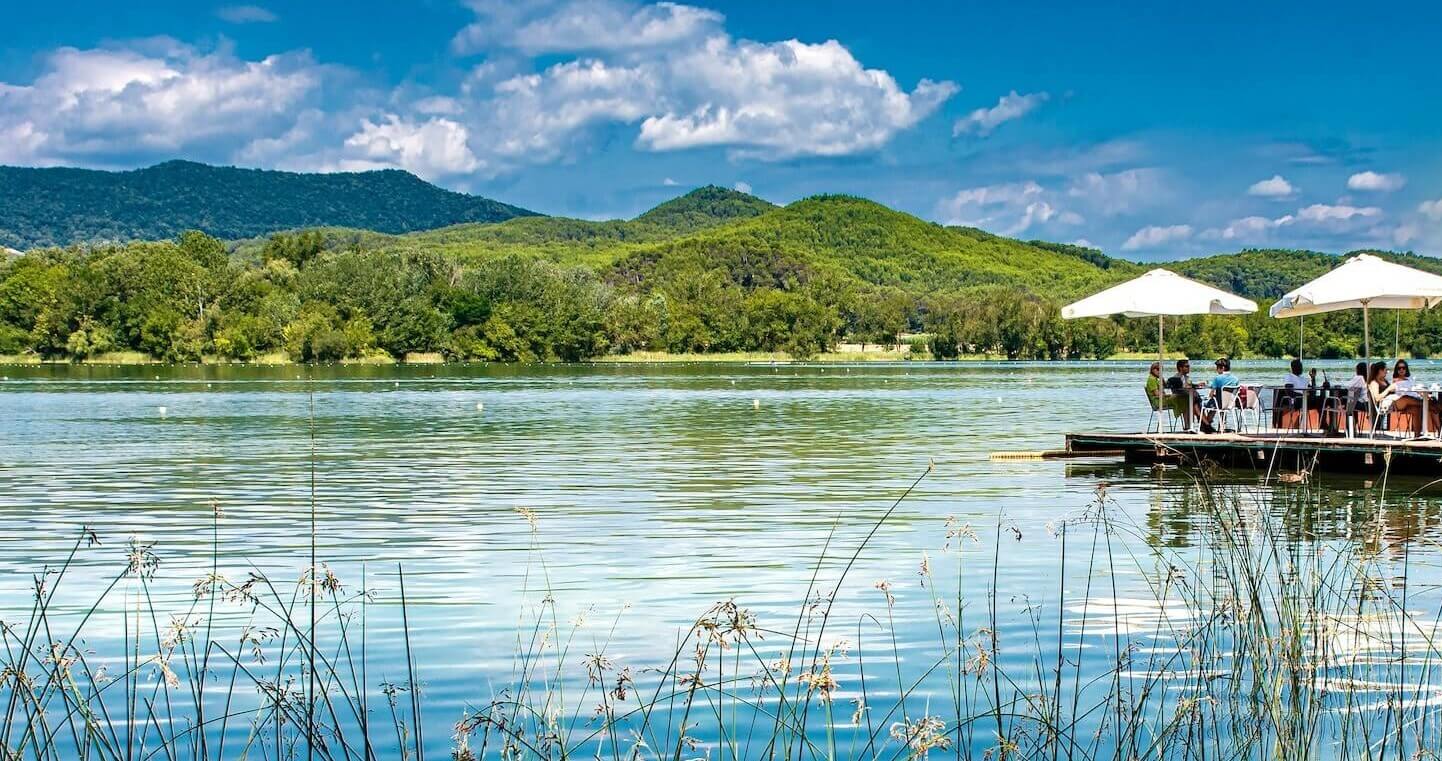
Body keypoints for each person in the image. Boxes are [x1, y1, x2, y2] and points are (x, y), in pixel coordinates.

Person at [1200, 357, 1240, 433]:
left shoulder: (1217, 378)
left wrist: (1212, 395)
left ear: (1222, 368)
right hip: (1230, 403)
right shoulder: (1235, 379)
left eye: (1217, 368)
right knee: (1217, 402)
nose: (1216, 370)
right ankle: (1221, 426)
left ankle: (1205, 426)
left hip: (1219, 404)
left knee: (1204, 403)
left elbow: (1211, 394)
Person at [1165, 358, 1200, 429]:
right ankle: (1193, 424)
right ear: (1180, 368)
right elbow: (1178, 389)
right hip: (1179, 399)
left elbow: (1188, 386)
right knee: (1192, 401)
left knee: (1194, 400)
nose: (1189, 368)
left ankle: (1192, 425)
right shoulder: (1176, 378)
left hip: (1187, 398)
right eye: (1186, 366)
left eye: (1189, 366)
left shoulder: (1186, 377)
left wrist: (1196, 385)